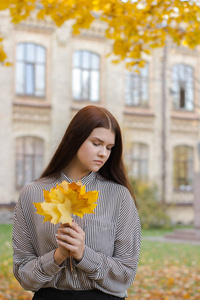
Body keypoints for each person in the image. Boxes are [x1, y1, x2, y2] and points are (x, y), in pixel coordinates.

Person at [12, 105, 141, 300]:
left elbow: (126, 274)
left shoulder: (119, 196)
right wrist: (57, 257)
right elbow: (23, 274)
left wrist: (83, 255)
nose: (103, 154)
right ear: (74, 138)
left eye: (109, 147)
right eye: (96, 143)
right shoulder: (32, 194)